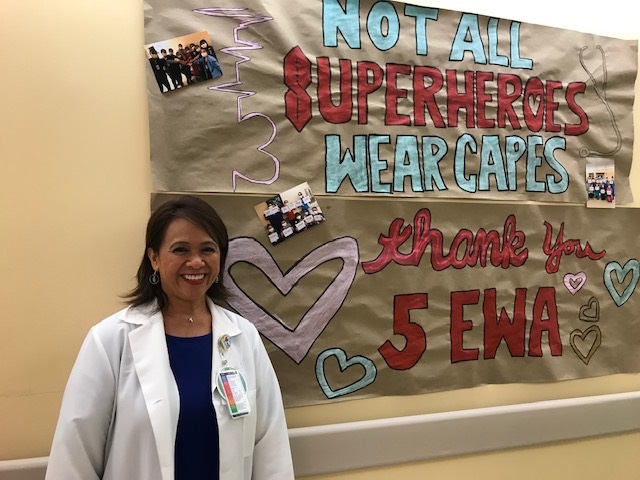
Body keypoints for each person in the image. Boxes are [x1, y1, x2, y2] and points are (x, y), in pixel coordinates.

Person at [45, 196, 294, 480]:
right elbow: (74, 457)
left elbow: (270, 446)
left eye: (208, 249)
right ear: (154, 258)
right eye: (180, 249)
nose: (196, 261)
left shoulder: (243, 336)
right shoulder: (110, 340)